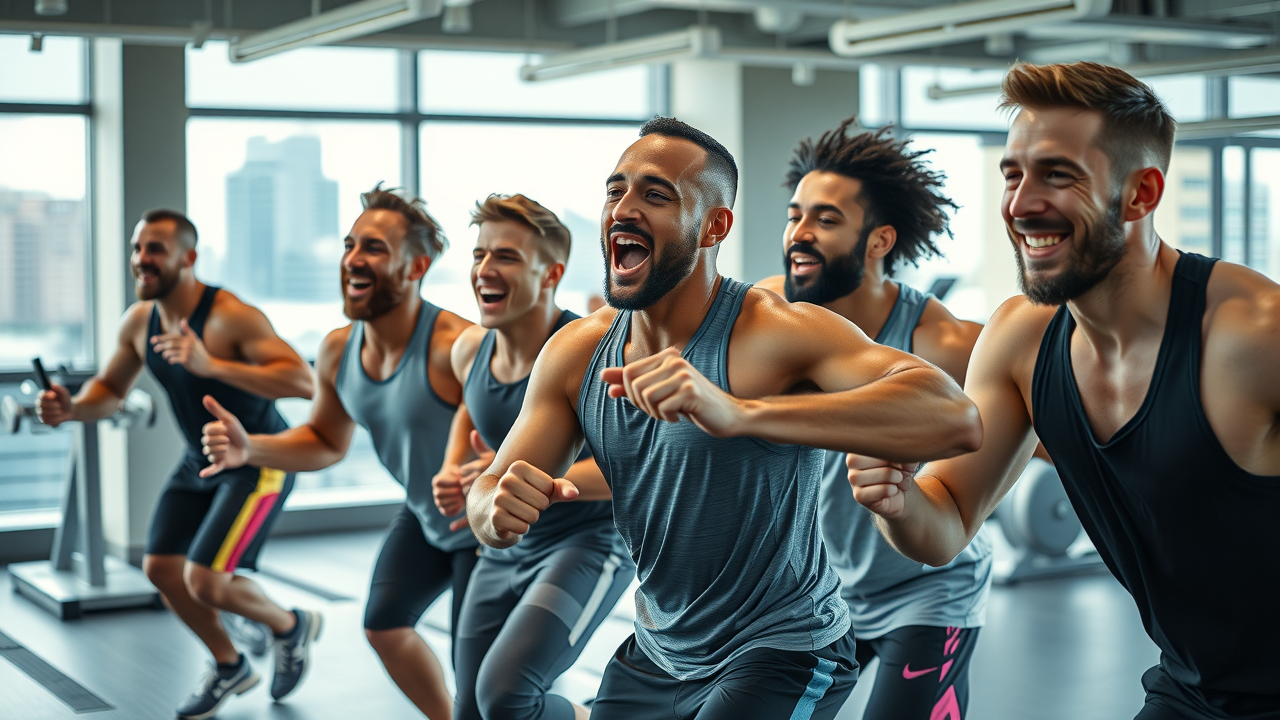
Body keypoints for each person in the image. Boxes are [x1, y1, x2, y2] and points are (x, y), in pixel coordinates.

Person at [464, 117, 983, 720]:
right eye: (615, 191)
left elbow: (954, 416)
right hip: (660, 649)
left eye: (656, 195)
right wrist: (493, 510)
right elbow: (490, 487)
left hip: (782, 647)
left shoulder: (773, 331)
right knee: (498, 703)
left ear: (714, 226)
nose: (624, 209)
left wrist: (737, 412)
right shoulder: (576, 352)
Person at [848, 62, 1280, 720]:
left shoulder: (1254, 337)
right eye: (1013, 175)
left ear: (1140, 194)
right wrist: (899, 501)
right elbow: (948, 521)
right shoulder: (1021, 340)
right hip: (1191, 690)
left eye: (1058, 175)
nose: (1021, 205)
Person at [200, 186, 475, 719]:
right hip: (425, 515)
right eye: (350, 245)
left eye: (374, 248)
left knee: (487, 679)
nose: (353, 259)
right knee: (384, 626)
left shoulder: (455, 346)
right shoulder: (338, 348)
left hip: (486, 528)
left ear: (416, 266)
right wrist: (251, 448)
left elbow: (520, 439)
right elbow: (325, 441)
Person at [35, 209, 318, 720]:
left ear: (189, 258)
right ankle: (229, 665)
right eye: (137, 248)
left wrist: (213, 365)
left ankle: (289, 625)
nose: (141, 259)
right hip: (199, 459)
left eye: (155, 249)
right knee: (162, 569)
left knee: (206, 581)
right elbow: (109, 388)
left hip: (259, 459)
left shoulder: (230, 317)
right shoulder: (139, 321)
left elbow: (302, 382)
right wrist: (71, 408)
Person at [756, 119, 991, 720]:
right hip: (820, 590)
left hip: (928, 590)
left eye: (826, 220)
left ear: (880, 240)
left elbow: (1037, 439)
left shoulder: (941, 343)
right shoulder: (770, 313)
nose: (799, 234)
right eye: (794, 216)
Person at [432, 194, 635, 720]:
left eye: (506, 256)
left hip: (587, 545)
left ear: (551, 274)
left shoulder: (590, 351)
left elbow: (638, 465)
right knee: (470, 709)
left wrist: (533, 483)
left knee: (507, 697)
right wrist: (456, 467)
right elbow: (470, 408)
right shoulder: (469, 350)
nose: (484, 269)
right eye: (479, 254)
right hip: (504, 551)